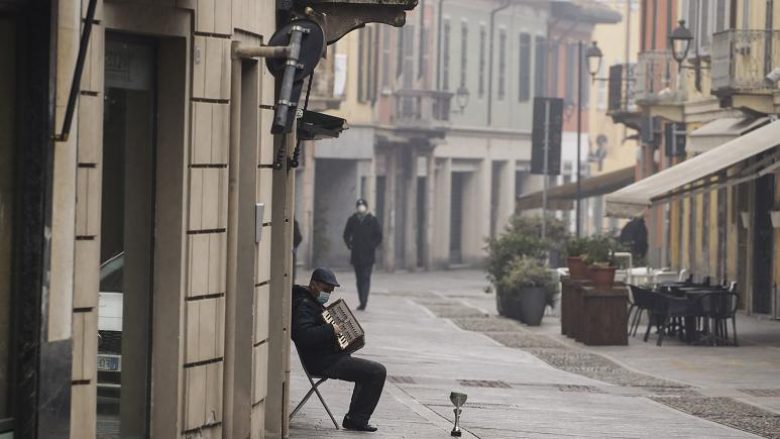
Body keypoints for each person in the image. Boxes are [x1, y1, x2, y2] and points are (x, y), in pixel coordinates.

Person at [291, 268, 387, 432]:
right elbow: (304, 336)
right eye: (326, 290)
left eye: (331, 291)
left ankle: (355, 418)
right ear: (313, 285)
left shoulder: (312, 302)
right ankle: (357, 419)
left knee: (369, 371)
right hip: (322, 362)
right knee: (377, 371)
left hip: (328, 357)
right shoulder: (304, 305)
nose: (327, 294)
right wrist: (331, 329)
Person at [342, 199, 382, 310]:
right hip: (356, 255)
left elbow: (379, 236)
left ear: (366, 207)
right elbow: (346, 234)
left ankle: (364, 301)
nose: (361, 207)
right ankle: (361, 300)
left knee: (366, 277)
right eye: (359, 206)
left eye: (363, 205)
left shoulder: (372, 220)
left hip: (368, 255)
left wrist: (372, 245)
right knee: (359, 279)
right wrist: (349, 244)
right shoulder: (352, 220)